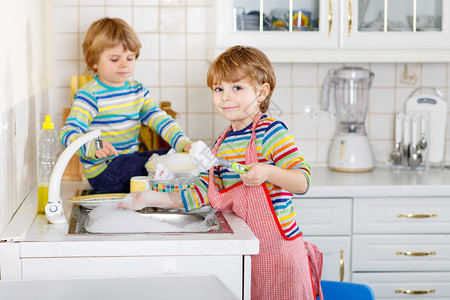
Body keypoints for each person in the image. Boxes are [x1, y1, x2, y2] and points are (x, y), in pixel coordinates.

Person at [121, 45, 315, 299]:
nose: (225, 97)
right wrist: (146, 199)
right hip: (246, 252)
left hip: (280, 255)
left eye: (237, 88)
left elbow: (302, 181)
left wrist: (267, 172)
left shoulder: (271, 132)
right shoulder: (222, 142)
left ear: (261, 92)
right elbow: (202, 192)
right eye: (218, 89)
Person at [60, 18, 191, 193]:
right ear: (93, 60)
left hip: (129, 160)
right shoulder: (90, 95)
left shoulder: (138, 91)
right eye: (114, 59)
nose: (124, 64)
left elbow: (160, 119)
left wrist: (183, 143)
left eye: (130, 58)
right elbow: (68, 133)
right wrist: (93, 147)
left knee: (172, 154)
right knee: (160, 165)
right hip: (105, 172)